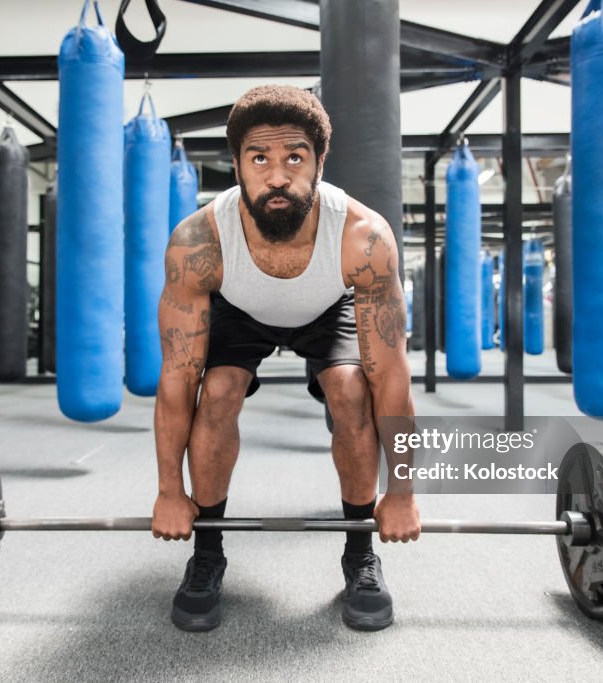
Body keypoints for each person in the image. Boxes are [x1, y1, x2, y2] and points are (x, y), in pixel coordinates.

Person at [151, 85, 420, 632]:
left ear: (320, 162)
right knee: (218, 391)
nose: (277, 176)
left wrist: (403, 491)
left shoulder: (363, 238)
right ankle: (207, 554)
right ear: (236, 165)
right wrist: (168, 492)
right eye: (260, 159)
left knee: (351, 391)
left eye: (294, 158)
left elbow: (391, 377)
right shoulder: (198, 243)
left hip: (326, 307)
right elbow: (177, 380)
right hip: (240, 307)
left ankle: (359, 553)